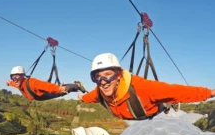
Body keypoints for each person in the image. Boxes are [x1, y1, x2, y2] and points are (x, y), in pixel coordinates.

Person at [78, 53, 215, 120]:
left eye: (108, 74)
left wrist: (210, 93)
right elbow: (90, 97)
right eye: (97, 77)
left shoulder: (144, 89)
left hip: (154, 110)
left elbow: (181, 91)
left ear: (119, 75)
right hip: (133, 117)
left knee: (169, 97)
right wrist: (82, 98)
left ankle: (170, 104)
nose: (103, 81)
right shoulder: (99, 92)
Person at [7, 66, 86, 101]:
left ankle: (77, 85)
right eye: (13, 77)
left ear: (23, 76)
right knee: (60, 90)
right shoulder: (18, 84)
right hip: (38, 97)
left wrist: (58, 88)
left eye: (17, 77)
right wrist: (9, 83)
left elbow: (46, 86)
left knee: (61, 91)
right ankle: (74, 87)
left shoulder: (32, 83)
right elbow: (13, 83)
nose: (15, 79)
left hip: (44, 95)